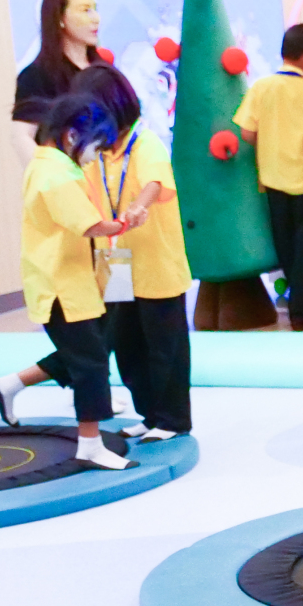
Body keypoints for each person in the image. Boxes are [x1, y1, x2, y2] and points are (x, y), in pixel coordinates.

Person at [0, 95, 141, 469]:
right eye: (96, 146)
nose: (96, 155)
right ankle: (89, 444)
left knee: (89, 350)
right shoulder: (55, 175)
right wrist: (127, 222)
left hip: (69, 280)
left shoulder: (51, 166)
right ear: (72, 135)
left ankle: (11, 384)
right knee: (90, 363)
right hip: (61, 286)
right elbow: (89, 224)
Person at [76, 64, 192, 438]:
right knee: (127, 344)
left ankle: (173, 419)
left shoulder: (145, 144)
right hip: (114, 261)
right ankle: (150, 414)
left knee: (165, 345)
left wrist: (140, 206)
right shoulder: (97, 154)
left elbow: (154, 181)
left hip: (155, 260)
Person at [234, 23, 303, 331]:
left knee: (285, 243)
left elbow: (247, 132)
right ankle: (302, 312)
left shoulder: (261, 87)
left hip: (272, 177)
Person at [11, 0, 104, 166]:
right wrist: (52, 174)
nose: (96, 19)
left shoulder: (104, 72)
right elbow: (21, 136)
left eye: (95, 9)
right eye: (85, 10)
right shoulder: (36, 76)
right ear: (60, 18)